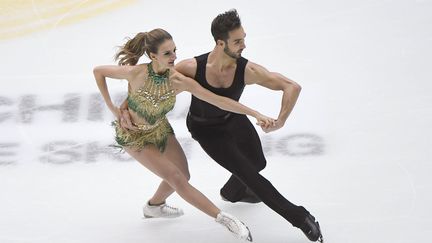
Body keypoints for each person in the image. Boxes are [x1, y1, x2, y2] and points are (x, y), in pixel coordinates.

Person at [93, 28, 276, 241]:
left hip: (160, 130)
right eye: (167, 53)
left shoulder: (178, 81)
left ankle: (154, 206)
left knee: (183, 175)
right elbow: (99, 71)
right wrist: (114, 109)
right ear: (153, 56)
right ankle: (226, 220)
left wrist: (254, 112)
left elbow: (218, 100)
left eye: (174, 51)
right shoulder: (136, 73)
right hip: (133, 136)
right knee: (176, 178)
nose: (174, 57)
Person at [174, 10, 324, 242]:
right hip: (205, 130)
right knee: (251, 176)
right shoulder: (191, 68)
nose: (244, 45)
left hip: (234, 118)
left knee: (257, 163)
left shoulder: (247, 70)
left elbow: (291, 86)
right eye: (238, 41)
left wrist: (281, 120)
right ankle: (300, 217)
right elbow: (153, 83)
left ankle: (231, 192)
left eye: (243, 38)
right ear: (220, 42)